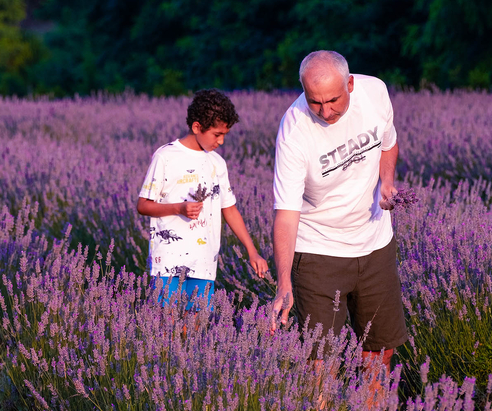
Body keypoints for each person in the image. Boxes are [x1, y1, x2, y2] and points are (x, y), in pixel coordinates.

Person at [271, 50, 408, 369]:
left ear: (349, 83)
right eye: (314, 101)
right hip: (318, 250)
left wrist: (386, 181)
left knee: (380, 350)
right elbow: (286, 214)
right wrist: (283, 284)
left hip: (375, 243)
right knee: (320, 360)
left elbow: (388, 144)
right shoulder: (294, 132)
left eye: (333, 100)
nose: (325, 111)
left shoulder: (375, 93)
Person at [138, 89, 268, 308]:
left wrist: (252, 251)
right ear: (197, 127)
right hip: (168, 260)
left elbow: (230, 209)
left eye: (225, 134)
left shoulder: (217, 163)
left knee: (196, 329)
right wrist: (178, 208)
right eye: (217, 134)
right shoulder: (166, 157)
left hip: (204, 261)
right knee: (164, 328)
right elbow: (143, 205)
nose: (222, 141)